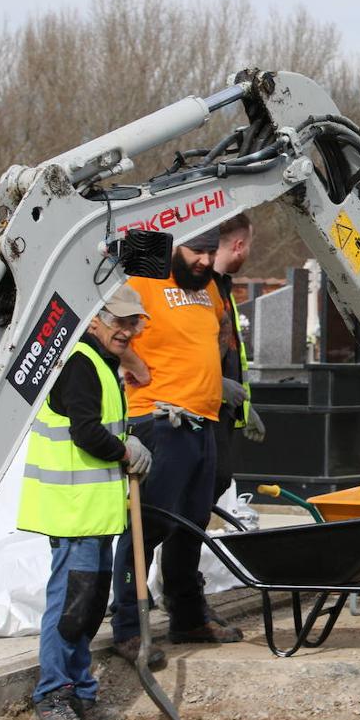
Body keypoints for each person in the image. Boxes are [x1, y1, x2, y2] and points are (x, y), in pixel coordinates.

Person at [17, 285, 151, 720]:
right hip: (73, 513)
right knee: (70, 609)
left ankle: (81, 693)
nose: (128, 330)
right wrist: (125, 450)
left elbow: (137, 383)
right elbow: (86, 432)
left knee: (88, 609)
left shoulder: (101, 362)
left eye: (135, 322)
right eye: (120, 321)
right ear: (93, 319)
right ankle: (52, 697)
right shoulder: (79, 362)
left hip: (93, 512)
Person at [110, 227, 244, 667]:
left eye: (211, 251)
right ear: (174, 245)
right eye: (196, 251)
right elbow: (96, 317)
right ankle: (129, 626)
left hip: (202, 419)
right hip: (158, 419)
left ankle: (187, 615)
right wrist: (130, 361)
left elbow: (211, 341)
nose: (205, 261)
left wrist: (220, 386)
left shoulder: (208, 288)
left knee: (191, 524)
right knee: (146, 527)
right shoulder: (146, 270)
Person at [211, 213, 267, 503]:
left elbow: (231, 355)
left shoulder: (223, 288)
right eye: (249, 244)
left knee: (217, 482)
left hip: (223, 409)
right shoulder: (202, 287)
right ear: (239, 245)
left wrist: (244, 407)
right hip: (203, 408)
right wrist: (215, 383)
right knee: (211, 481)